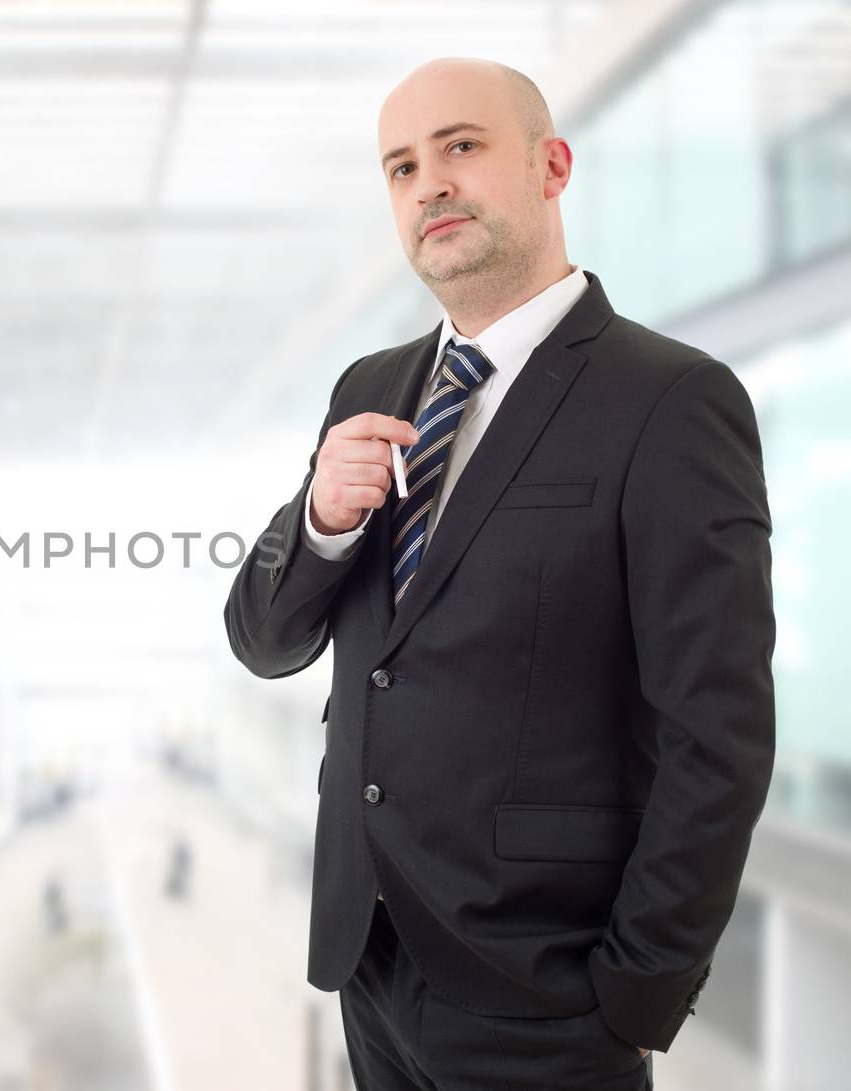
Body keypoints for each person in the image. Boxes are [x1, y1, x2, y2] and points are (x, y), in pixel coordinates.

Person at [222, 57, 774, 1091]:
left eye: (461, 148)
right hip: (369, 962)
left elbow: (720, 728)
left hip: (547, 993)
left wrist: (638, 989)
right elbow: (261, 637)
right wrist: (320, 521)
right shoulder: (370, 386)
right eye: (400, 167)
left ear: (552, 165)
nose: (428, 183)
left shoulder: (669, 398)